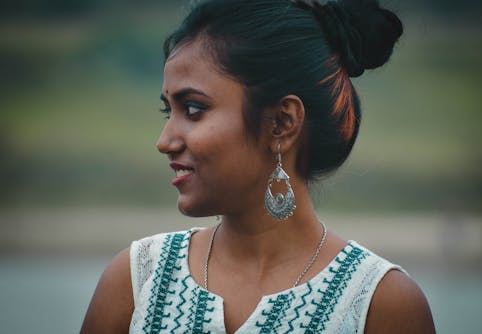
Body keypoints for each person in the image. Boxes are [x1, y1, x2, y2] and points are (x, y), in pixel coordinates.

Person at [81, 0, 435, 333]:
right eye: (167, 111)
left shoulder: (380, 304)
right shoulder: (138, 281)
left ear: (282, 123)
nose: (165, 141)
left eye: (192, 109)